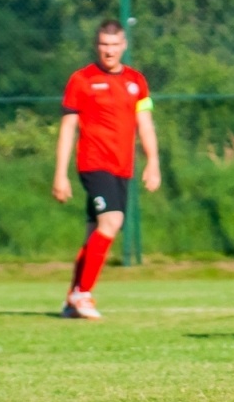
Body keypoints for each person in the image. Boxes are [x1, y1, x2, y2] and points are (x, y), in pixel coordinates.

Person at [52, 19, 161, 319]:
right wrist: (60, 174)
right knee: (111, 222)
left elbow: (145, 124)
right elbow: (67, 129)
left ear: (124, 45)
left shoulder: (137, 82)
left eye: (114, 45)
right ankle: (83, 294)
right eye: (104, 45)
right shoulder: (81, 80)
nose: (109, 51)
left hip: (122, 167)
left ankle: (72, 300)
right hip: (93, 163)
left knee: (95, 234)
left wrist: (153, 162)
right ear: (96, 46)